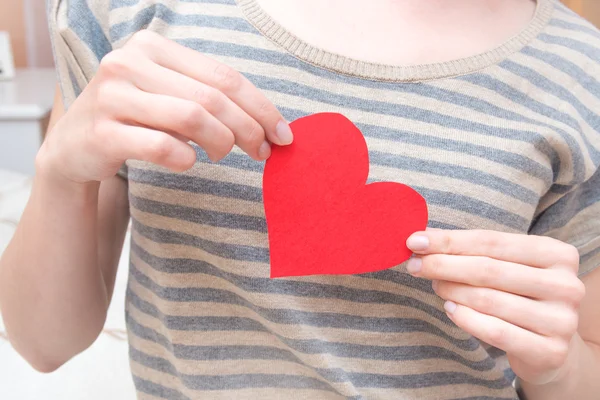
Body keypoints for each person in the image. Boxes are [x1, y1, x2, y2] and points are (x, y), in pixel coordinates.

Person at [1, 0, 599, 398]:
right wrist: (60, 171)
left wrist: (560, 366)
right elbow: (43, 342)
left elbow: (584, 365)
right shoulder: (127, 12)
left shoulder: (583, 74)